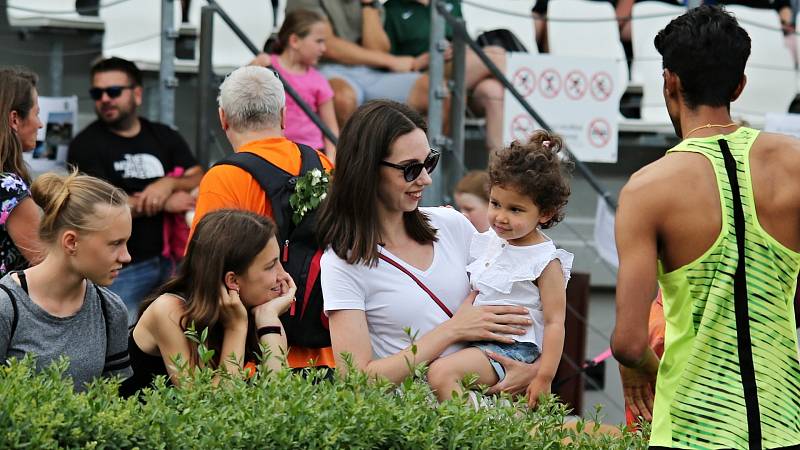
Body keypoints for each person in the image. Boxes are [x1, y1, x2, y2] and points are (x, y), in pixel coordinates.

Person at [611, 6, 800, 449]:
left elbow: (627, 340)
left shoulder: (647, 189)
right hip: (783, 426)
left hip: (692, 431)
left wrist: (638, 366)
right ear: (739, 85)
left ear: (669, 82)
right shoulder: (795, 164)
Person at [317, 100, 538, 395]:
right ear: (367, 169)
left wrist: (534, 367)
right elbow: (357, 381)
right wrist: (453, 330)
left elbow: (524, 300)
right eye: (410, 169)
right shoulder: (342, 263)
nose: (426, 178)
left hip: (492, 409)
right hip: (418, 425)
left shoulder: (451, 224)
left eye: (429, 162)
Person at [191, 65, 334, 370]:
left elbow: (202, 273)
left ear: (223, 118)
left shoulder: (224, 177)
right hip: (324, 351)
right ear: (284, 115)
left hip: (253, 357)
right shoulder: (321, 164)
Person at [427, 131, 572, 407]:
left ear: (545, 213)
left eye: (516, 210)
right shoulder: (490, 241)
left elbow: (555, 322)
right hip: (477, 338)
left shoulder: (545, 260)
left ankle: (477, 436)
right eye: (495, 204)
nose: (501, 217)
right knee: (431, 367)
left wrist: (544, 376)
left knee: (441, 374)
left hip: (512, 347)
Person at [67, 57, 203, 324]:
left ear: (137, 94)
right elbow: (99, 208)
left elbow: (198, 174)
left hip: (174, 262)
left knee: (183, 337)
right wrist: (163, 202)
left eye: (114, 91)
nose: (105, 98)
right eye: (97, 93)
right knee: (121, 343)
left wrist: (169, 184)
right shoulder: (86, 144)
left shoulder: (163, 135)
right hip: (122, 268)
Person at [121, 209, 295, 395]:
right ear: (233, 281)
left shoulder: (251, 305)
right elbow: (208, 407)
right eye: (270, 266)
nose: (283, 275)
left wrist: (268, 320)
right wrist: (236, 328)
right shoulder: (169, 310)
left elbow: (278, 396)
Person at [0, 172, 132, 391]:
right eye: (115, 243)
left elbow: (117, 403)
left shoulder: (110, 310)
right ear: (71, 242)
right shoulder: (7, 307)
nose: (126, 257)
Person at [280, 0, 431, 127]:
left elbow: (377, 48)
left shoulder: (371, 4)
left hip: (368, 71)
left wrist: (368, 6)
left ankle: (430, 161)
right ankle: (354, 161)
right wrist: (393, 62)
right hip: (323, 67)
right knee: (343, 98)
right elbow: (327, 46)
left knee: (434, 90)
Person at [382, 0, 507, 152]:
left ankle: (498, 169)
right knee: (496, 54)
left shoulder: (452, 3)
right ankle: (536, 105)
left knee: (493, 91)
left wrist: (456, 48)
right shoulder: (391, 9)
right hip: (423, 76)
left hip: (458, 74)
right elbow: (386, 64)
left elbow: (464, 41)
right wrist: (421, 60)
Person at [268, 9, 339, 159]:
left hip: (311, 155)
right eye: (319, 41)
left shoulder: (319, 80)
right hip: (275, 151)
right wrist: (254, 65)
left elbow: (330, 129)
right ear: (294, 41)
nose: (323, 48)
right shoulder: (266, 67)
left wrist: (331, 162)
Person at [0, 67, 45, 275]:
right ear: (15, 119)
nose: (40, 124)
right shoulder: (8, 187)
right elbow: (48, 265)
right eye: (36, 113)